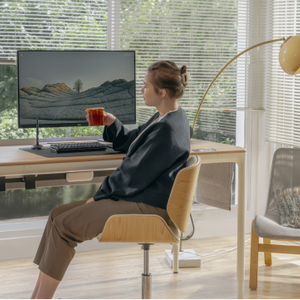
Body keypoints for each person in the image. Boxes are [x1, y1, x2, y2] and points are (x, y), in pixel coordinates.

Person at [30, 60, 191, 300]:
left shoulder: (167, 129)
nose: (141, 90)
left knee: (64, 227)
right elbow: (133, 142)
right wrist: (112, 123)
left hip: (149, 206)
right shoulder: (165, 118)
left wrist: (96, 197)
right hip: (140, 196)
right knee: (56, 216)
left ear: (162, 92)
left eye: (146, 86)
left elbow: (132, 174)